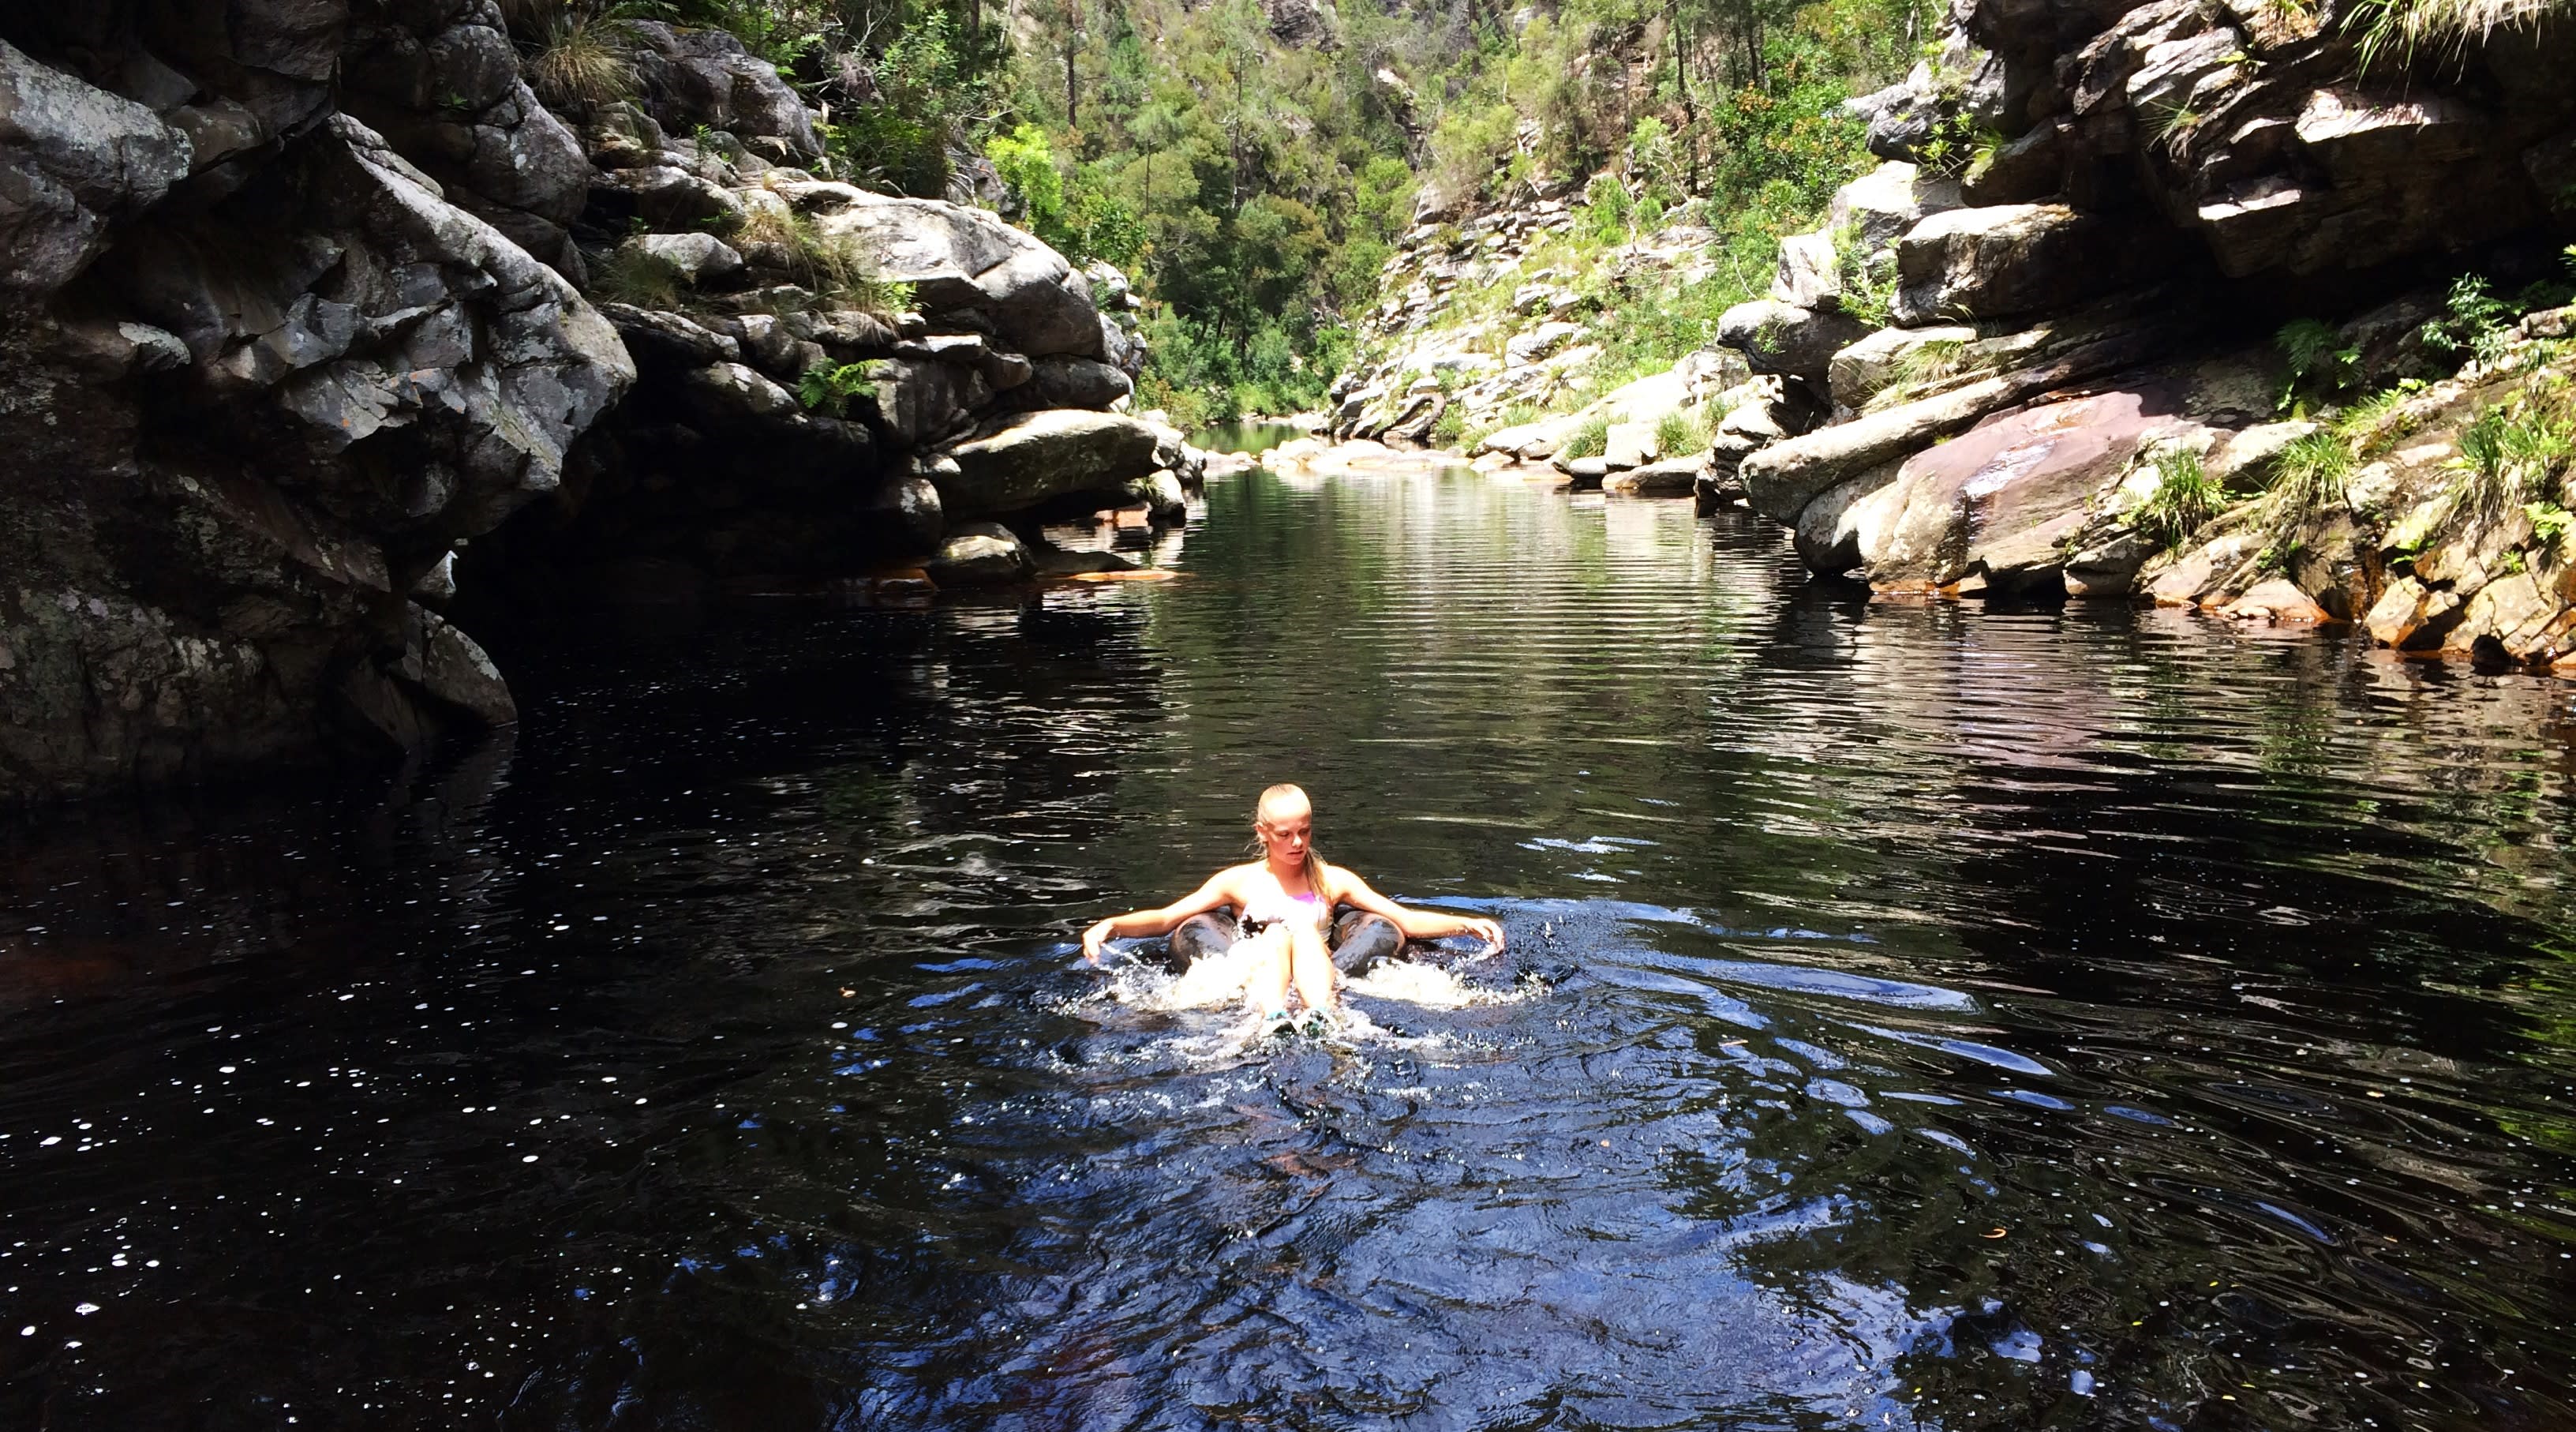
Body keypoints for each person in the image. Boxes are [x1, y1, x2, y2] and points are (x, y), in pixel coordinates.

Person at [1080, 783, 1506, 1033]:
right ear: (1263, 833)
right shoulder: (1240, 881)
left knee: (1301, 931)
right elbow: (1170, 917)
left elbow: (1403, 918)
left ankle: (1322, 1015)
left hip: (1318, 966)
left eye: (1304, 831)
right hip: (1259, 969)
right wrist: (1112, 925)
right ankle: (1272, 1018)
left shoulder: (1331, 880)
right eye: (1284, 834)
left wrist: (1464, 925)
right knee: (1279, 932)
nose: (1297, 843)